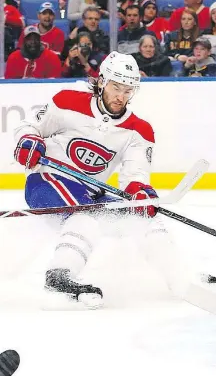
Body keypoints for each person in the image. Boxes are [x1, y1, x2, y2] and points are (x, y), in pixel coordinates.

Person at [13, 51, 157, 308]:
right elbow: (29, 127)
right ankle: (59, 275)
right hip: (48, 180)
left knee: (143, 218)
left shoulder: (139, 130)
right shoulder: (66, 101)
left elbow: (135, 174)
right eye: (116, 87)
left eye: (128, 90)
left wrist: (140, 192)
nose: (121, 97)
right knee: (85, 215)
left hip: (91, 191)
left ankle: (178, 273)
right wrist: (28, 141)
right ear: (102, 81)